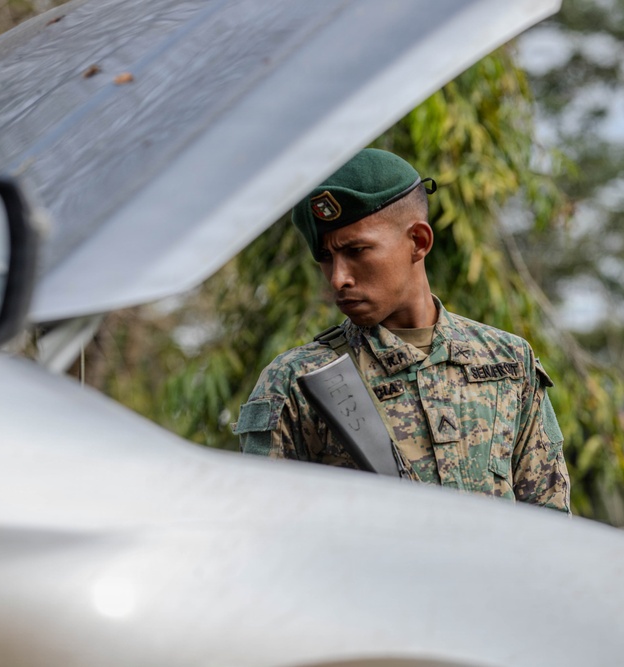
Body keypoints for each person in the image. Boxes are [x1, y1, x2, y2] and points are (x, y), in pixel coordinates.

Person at [234, 148, 569, 513]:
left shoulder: (507, 361)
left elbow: (549, 520)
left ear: (418, 242)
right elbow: (265, 532)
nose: (338, 278)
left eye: (357, 250)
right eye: (325, 259)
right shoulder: (299, 381)